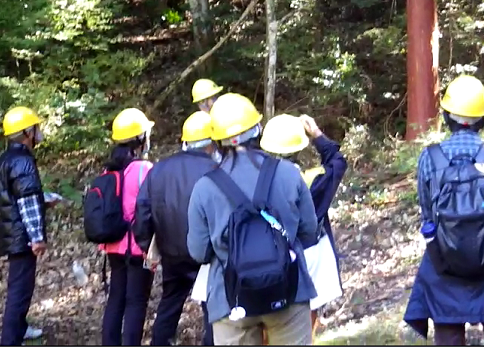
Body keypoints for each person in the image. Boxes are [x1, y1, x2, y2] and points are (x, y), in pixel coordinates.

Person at [403, 75, 484, 346]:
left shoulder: (431, 156)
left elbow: (428, 212)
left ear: (447, 116)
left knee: (448, 331)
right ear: (483, 118)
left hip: (444, 260)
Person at [187, 93, 320, 345]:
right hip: (288, 290)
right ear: (258, 129)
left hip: (230, 300)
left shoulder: (204, 188)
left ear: (216, 141)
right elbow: (309, 231)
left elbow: (198, 252)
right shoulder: (289, 174)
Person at [258, 113, 349, 340]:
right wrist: (317, 134)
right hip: (312, 252)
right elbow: (338, 162)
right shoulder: (313, 177)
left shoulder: (255, 180)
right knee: (307, 318)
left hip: (270, 255)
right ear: (301, 146)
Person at [134, 111, 219, 346]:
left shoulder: (159, 169)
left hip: (171, 252)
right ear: (213, 142)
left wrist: (146, 245)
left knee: (170, 303)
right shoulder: (218, 169)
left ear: (185, 141)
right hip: (207, 253)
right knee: (212, 305)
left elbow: (142, 211)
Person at [0, 106, 54, 346]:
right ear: (28, 131)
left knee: (18, 287)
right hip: (22, 238)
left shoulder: (5, 160)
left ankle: (21, 328)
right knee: (19, 292)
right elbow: (26, 201)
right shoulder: (23, 162)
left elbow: (13, 198)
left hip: (11, 235)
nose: (39, 132)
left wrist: (43, 200)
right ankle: (11, 340)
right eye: (36, 127)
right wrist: (37, 237)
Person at [101, 108, 156, 346]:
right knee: (136, 302)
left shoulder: (109, 169)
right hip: (138, 248)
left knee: (116, 299)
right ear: (140, 138)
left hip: (113, 246)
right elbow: (153, 209)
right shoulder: (144, 169)